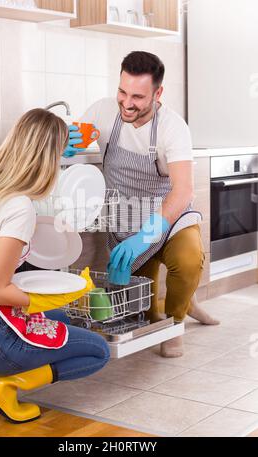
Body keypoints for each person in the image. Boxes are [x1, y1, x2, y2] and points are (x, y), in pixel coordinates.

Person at [0, 108, 110, 424]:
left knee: (67, 320)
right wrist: (52, 297)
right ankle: (4, 384)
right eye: (57, 157)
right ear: (47, 159)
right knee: (97, 351)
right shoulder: (18, 207)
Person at [65, 51, 219, 358]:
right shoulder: (103, 111)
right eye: (122, 92)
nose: (126, 103)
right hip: (125, 220)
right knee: (140, 307)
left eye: (137, 96)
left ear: (157, 93)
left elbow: (183, 190)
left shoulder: (172, 127)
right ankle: (181, 304)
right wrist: (66, 143)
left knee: (187, 262)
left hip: (169, 217)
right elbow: (75, 140)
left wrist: (148, 235)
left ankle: (176, 323)